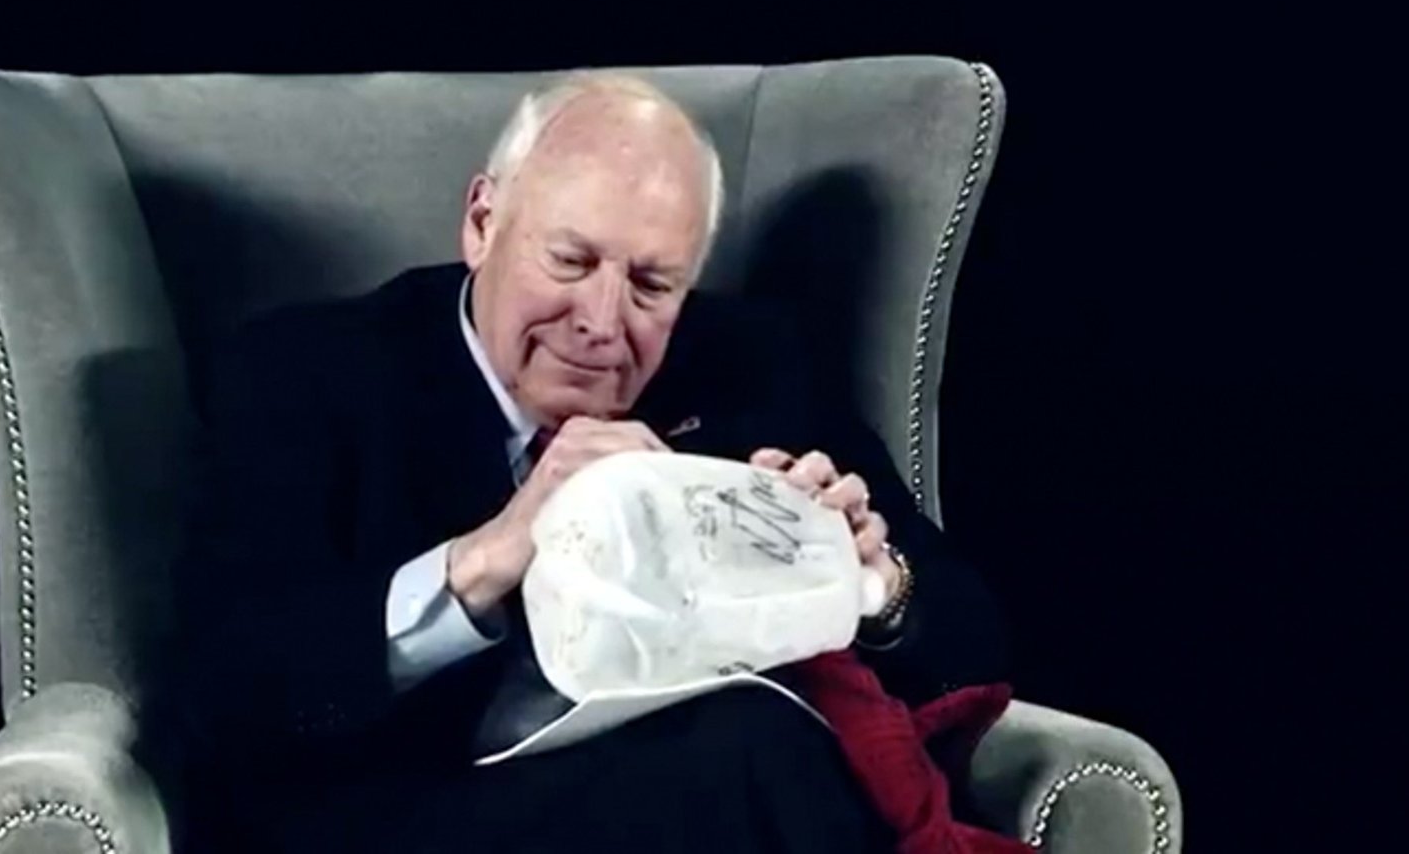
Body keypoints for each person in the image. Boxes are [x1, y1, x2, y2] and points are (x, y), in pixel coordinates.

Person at [152, 74, 1009, 853]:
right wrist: (481, 560)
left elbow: (973, 637)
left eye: (651, 286)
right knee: (751, 758)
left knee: (762, 747)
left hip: (708, 782)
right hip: (417, 804)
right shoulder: (305, 371)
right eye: (570, 261)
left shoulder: (752, 364)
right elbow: (220, 686)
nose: (601, 320)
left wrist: (871, 585)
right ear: (482, 223)